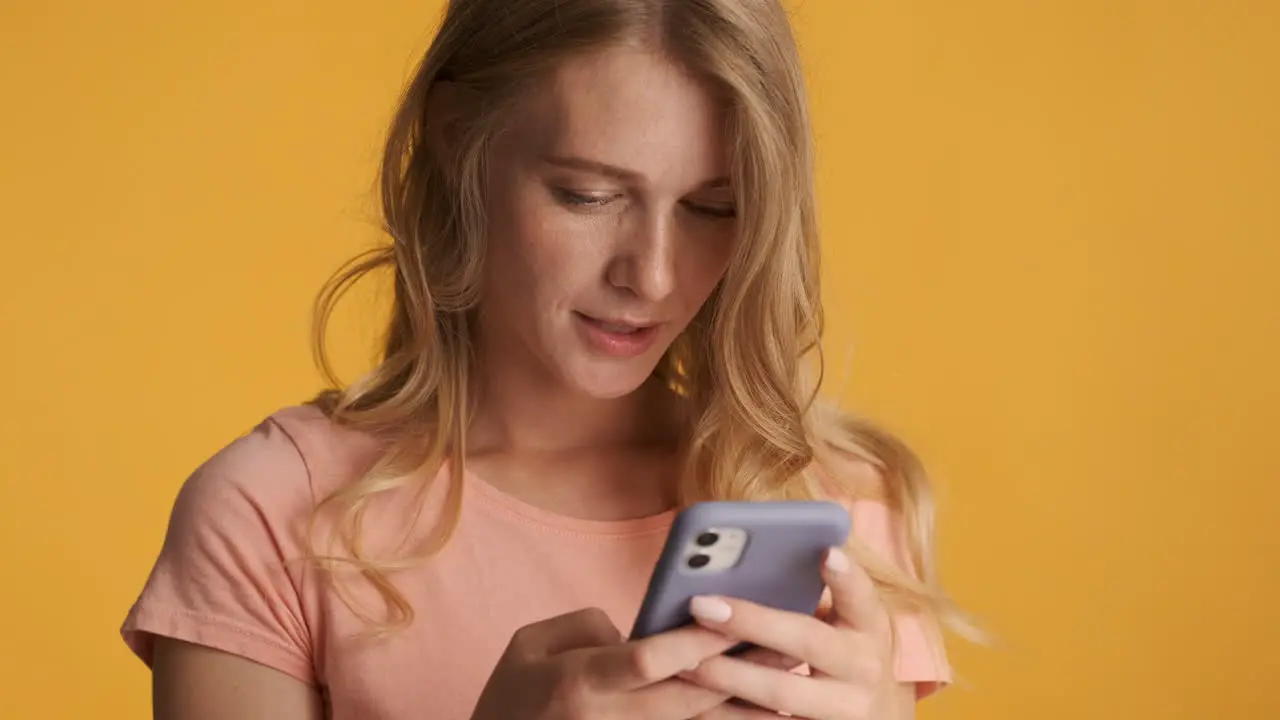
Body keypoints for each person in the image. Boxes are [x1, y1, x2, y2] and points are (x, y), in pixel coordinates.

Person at [121, 0, 965, 717]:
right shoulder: (274, 513)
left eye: (714, 207)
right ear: (457, 137)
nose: (654, 275)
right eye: (588, 196)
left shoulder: (831, 499)